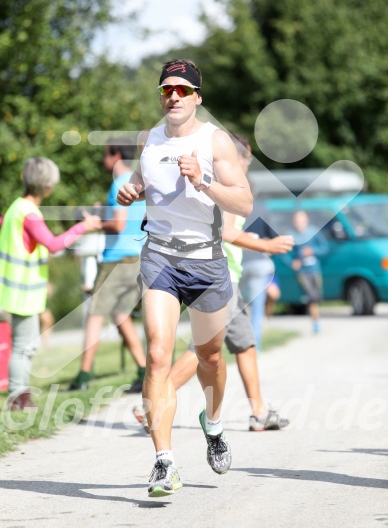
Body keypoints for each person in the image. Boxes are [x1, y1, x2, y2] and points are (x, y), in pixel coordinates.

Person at [117, 59, 253, 498]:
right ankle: (164, 463)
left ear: (197, 97)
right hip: (160, 258)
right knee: (158, 355)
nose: (172, 96)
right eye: (165, 90)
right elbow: (145, 175)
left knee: (210, 359)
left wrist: (204, 182)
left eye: (181, 89)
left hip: (207, 263)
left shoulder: (215, 142)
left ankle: (212, 427)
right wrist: (132, 187)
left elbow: (244, 204)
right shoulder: (148, 139)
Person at [133, 133, 294, 434]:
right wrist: (267, 246)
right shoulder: (222, 186)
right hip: (219, 275)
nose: (246, 162)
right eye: (244, 156)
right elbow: (229, 233)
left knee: (243, 342)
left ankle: (259, 410)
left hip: (226, 274)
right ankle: (151, 404)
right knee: (203, 350)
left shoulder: (228, 187)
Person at [0, 157, 102, 409]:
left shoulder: (15, 207)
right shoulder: (29, 213)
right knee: (23, 346)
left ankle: (21, 395)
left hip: (16, 288)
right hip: (21, 290)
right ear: (47, 186)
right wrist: (83, 227)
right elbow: (54, 244)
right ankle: (17, 397)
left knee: (28, 344)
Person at [68, 139, 147, 391]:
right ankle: (143, 369)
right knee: (120, 315)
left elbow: (118, 225)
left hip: (115, 258)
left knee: (94, 316)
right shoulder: (138, 183)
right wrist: (104, 213)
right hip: (136, 256)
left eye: (105, 155)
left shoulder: (118, 183)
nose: (104, 160)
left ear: (115, 156)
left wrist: (94, 223)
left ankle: (83, 376)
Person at [240, 198, 282, 351]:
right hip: (259, 261)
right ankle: (254, 346)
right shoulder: (261, 208)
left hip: (236, 261)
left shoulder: (228, 207)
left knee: (239, 306)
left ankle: (240, 341)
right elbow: (274, 235)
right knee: (257, 307)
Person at [285, 210, 329, 333]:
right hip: (303, 272)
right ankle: (315, 322)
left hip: (315, 269)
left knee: (316, 296)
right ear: (294, 222)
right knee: (311, 297)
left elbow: (325, 249)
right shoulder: (291, 235)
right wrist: (292, 262)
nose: (299, 224)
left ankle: (316, 319)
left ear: (306, 221)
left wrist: (313, 251)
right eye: (297, 221)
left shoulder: (314, 232)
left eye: (302, 221)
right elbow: (285, 253)